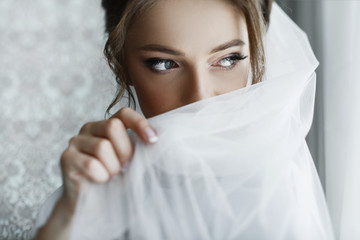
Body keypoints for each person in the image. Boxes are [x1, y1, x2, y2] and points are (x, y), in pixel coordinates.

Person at [32, 0, 334, 239]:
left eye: (228, 59)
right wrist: (68, 218)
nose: (201, 98)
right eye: (164, 64)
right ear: (122, 66)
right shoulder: (91, 190)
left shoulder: (281, 190)